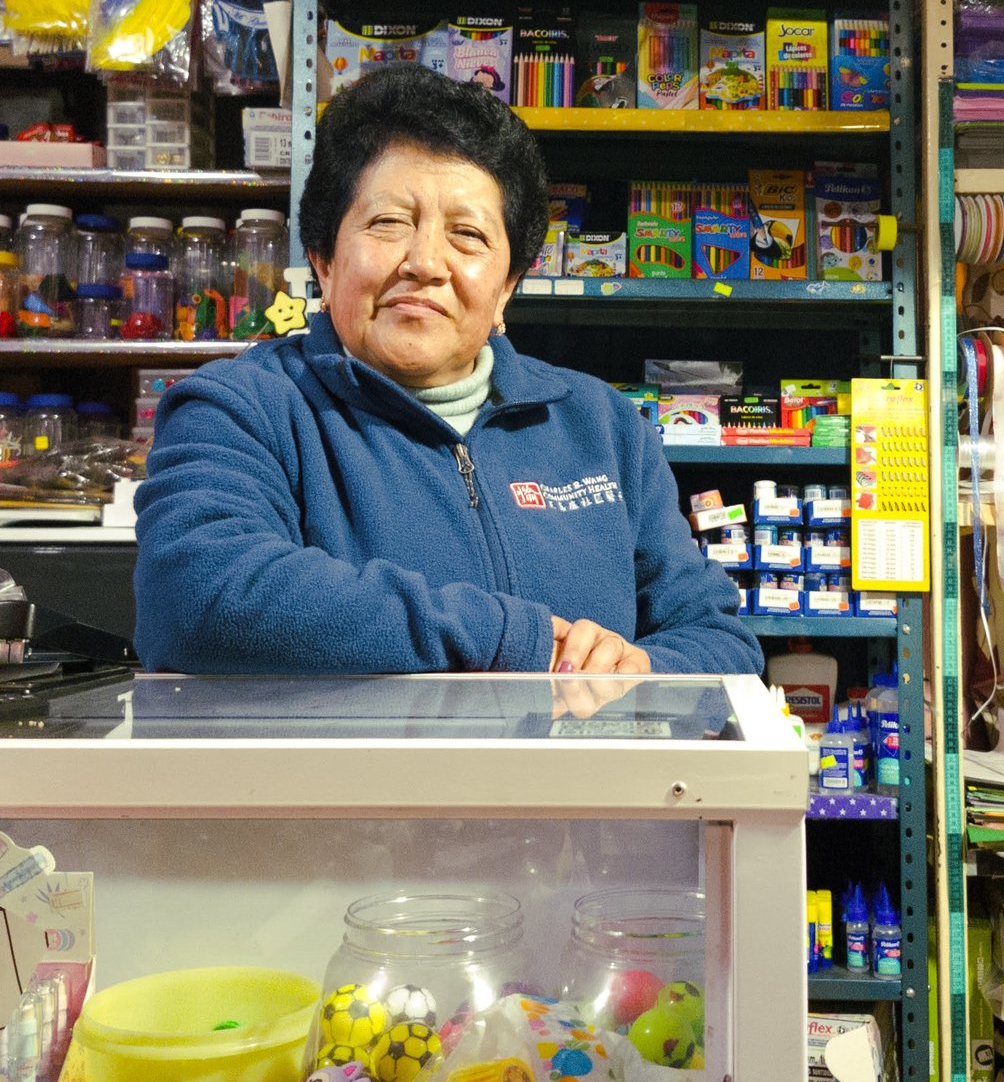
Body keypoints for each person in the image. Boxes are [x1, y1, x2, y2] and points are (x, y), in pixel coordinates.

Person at [134, 67, 763, 678]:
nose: (425, 262)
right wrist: (508, 639)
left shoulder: (602, 426)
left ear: (507, 289)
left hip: (576, 785)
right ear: (324, 261)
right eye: (389, 222)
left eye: (467, 235)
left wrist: (635, 669)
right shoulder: (242, 408)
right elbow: (196, 595)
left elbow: (718, 637)